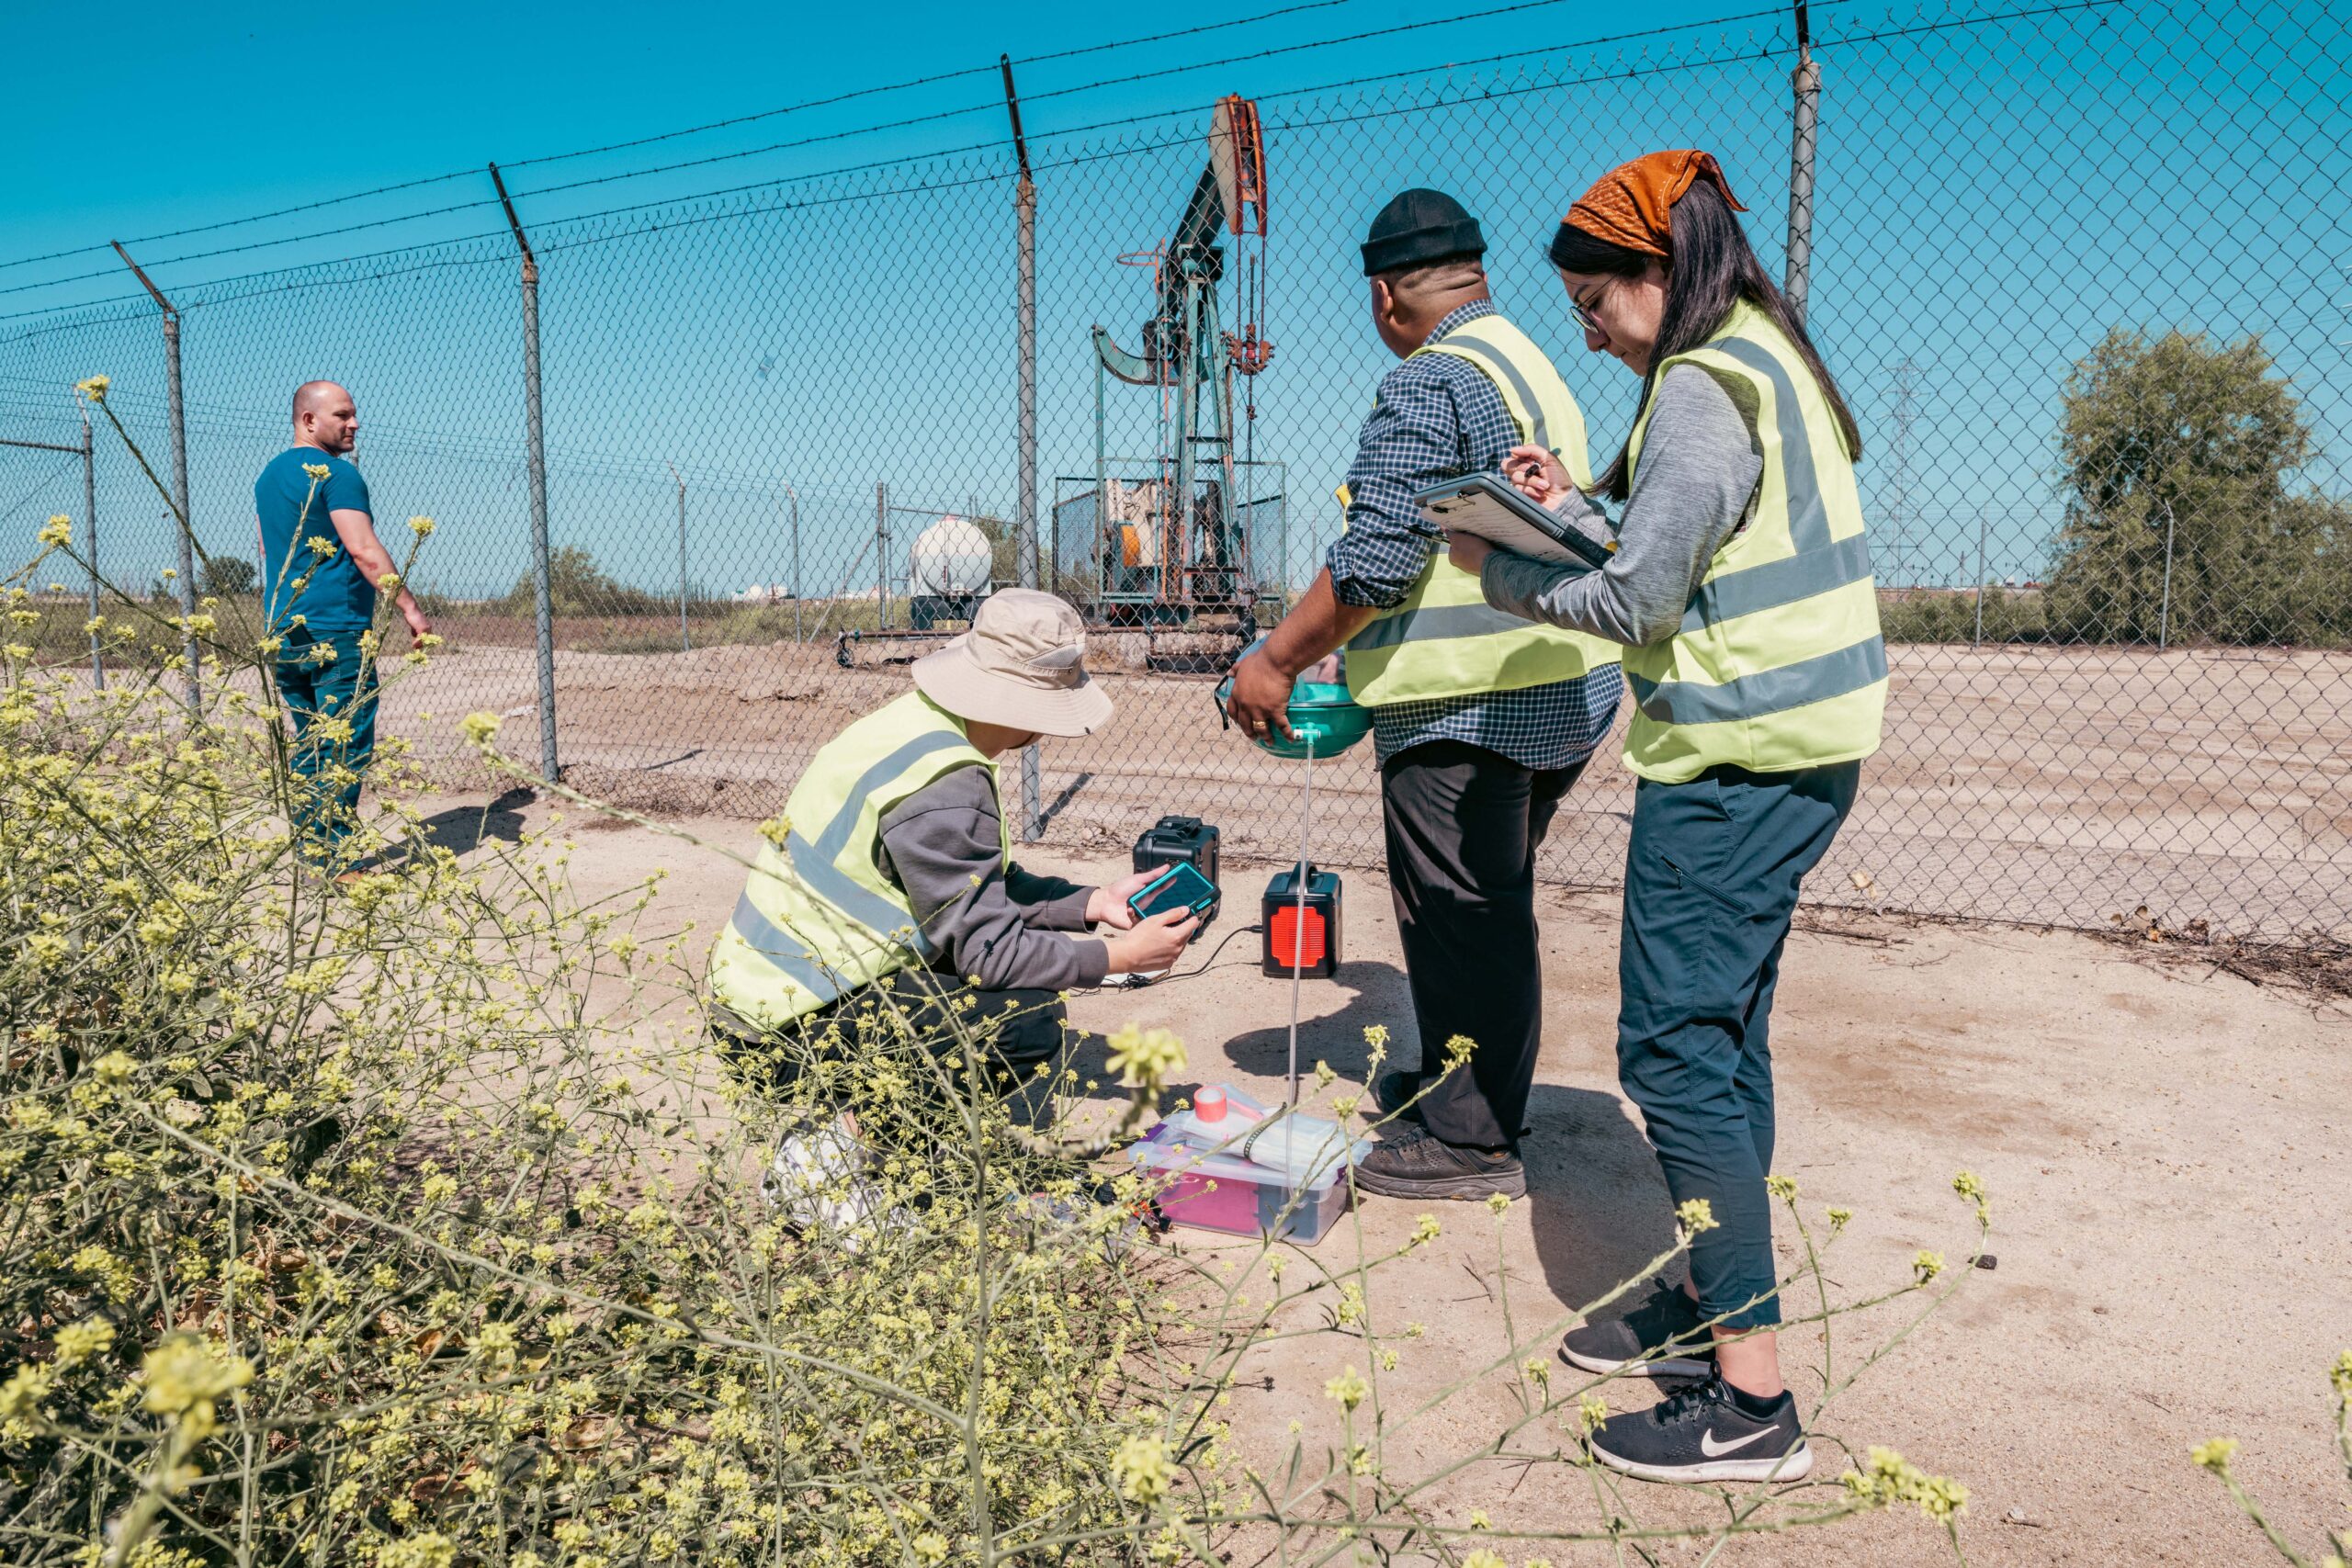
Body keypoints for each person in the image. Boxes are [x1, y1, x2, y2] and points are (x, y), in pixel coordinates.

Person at [1447, 150, 1885, 1484]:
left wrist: (1503, 565)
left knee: (1678, 1055)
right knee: (1727, 1038)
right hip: (1801, 745)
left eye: (1596, 301)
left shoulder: (1698, 387)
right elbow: (1683, 543)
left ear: (1660, 271)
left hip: (1735, 756)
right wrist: (1577, 507)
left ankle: (1750, 1399)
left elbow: (1639, 606)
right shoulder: (1763, 358)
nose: (1588, 328)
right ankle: (1714, 1294)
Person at [1223, 189, 1623, 1201]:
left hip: (1468, 704)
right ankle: (1462, 1084)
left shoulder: (1429, 378)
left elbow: (1379, 561)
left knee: (1460, 914)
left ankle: (1469, 1139)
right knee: (1488, 907)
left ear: (1382, 295)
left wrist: (1272, 659)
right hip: (1560, 684)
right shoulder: (1527, 363)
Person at [706, 588, 1198, 1111]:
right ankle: (842, 1154)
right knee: (1024, 1020)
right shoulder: (946, 788)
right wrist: (1118, 957)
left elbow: (970, 887)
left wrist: (1092, 902)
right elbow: (991, 954)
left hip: (761, 1000)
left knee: (986, 976)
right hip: (783, 1037)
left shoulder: (911, 725)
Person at [254, 381, 431, 870]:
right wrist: (411, 611)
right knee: (344, 743)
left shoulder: (268, 477)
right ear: (309, 421)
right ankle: (333, 862)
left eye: (354, 414)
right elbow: (363, 549)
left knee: (311, 742)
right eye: (342, 415)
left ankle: (313, 854)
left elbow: (271, 550)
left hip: (284, 627)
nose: (354, 424)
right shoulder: (337, 475)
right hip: (336, 628)